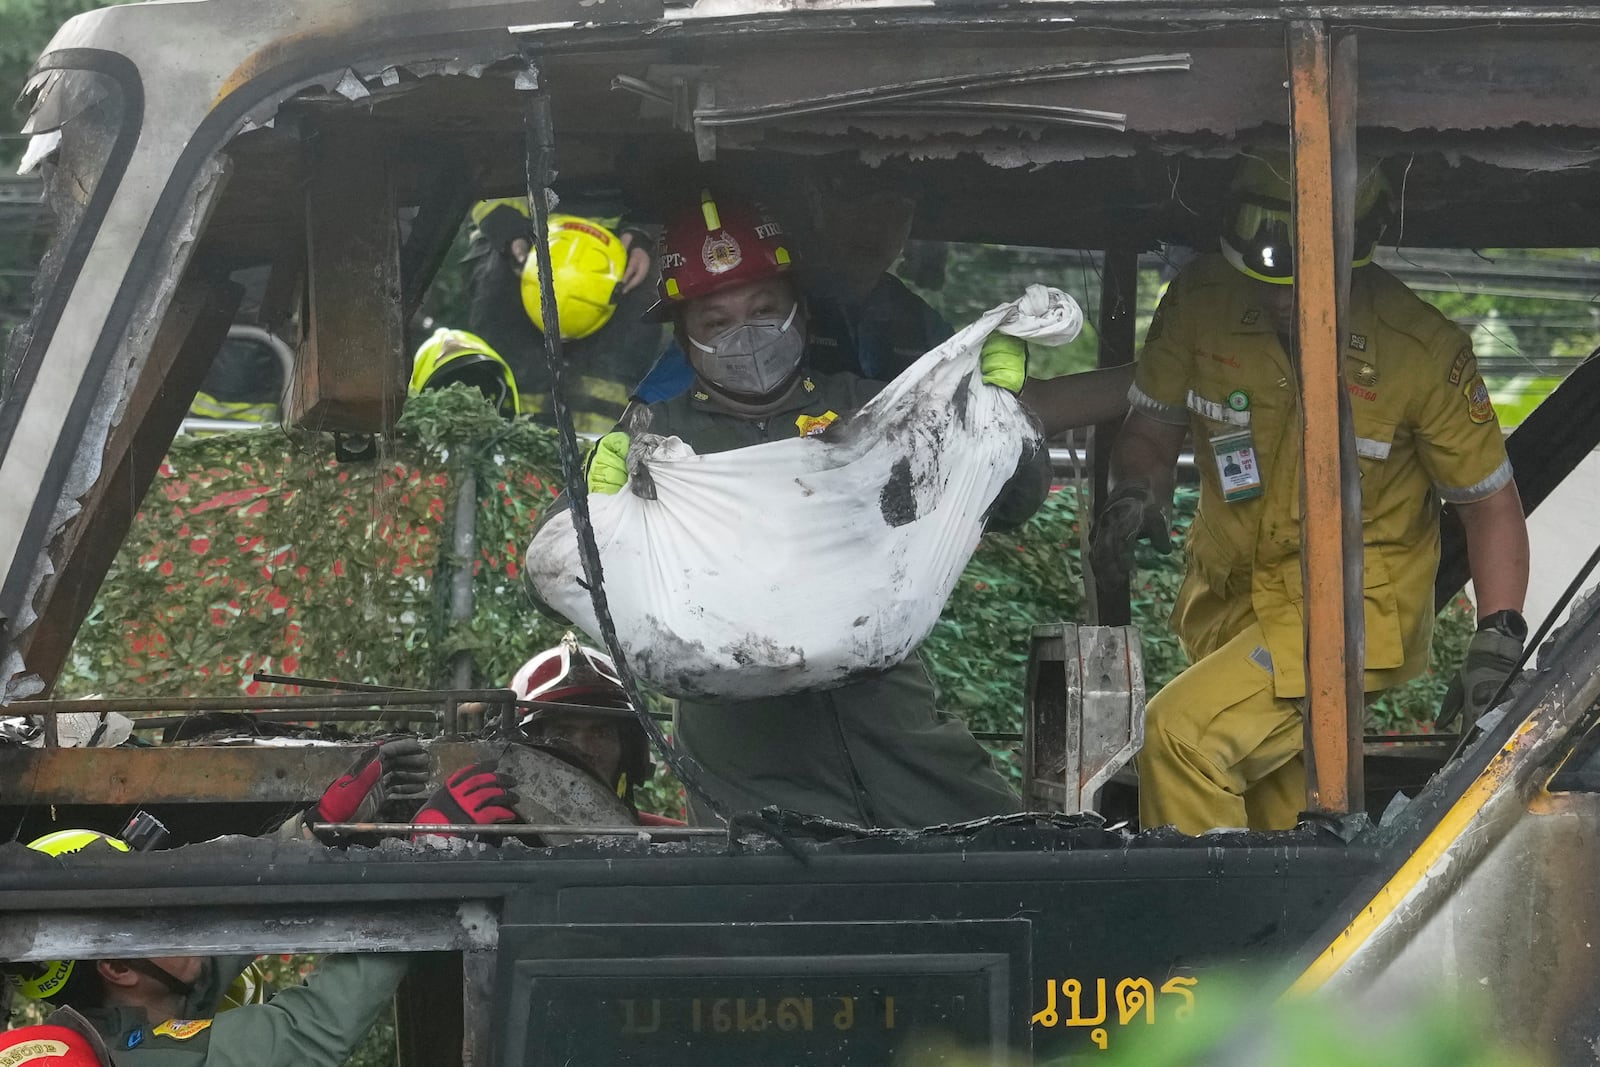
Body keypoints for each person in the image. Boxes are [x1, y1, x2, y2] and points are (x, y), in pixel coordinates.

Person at [574, 190, 1125, 828]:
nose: (745, 335)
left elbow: (1011, 504)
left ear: (800, 312)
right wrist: (595, 500)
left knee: (988, 865)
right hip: (746, 756)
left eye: (764, 309)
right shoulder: (651, 440)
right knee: (778, 911)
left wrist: (996, 418)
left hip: (894, 725)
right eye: (716, 320)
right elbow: (566, 566)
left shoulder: (870, 411)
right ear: (683, 334)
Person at [1091, 151, 1530, 835]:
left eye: (1301, 285)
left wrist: (1497, 639)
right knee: (1282, 815)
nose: (1279, 298)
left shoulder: (1419, 348)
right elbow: (1150, 432)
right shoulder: (1200, 304)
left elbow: (1489, 505)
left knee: (1182, 739)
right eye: (1264, 282)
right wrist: (1134, 493)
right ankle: (1284, 938)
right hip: (1229, 604)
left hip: (1349, 612)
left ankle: (1211, 937)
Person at [3, 832, 409, 1067]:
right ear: (116, 966)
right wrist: (429, 856)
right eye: (155, 912)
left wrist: (311, 833)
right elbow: (311, 1030)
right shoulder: (132, 1058)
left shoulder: (133, 1017)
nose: (180, 912)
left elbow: (216, 944)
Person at [629, 163, 950, 405]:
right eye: (861, 206)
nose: (876, 227)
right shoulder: (753, 309)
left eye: (897, 211)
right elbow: (658, 412)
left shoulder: (921, 325)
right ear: (818, 206)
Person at [465, 199, 662, 431]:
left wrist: (643, 229)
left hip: (620, 256)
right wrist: (506, 225)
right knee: (510, 382)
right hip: (515, 247)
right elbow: (474, 170)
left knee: (611, 380)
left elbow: (669, 172)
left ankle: (599, 454)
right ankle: (509, 451)